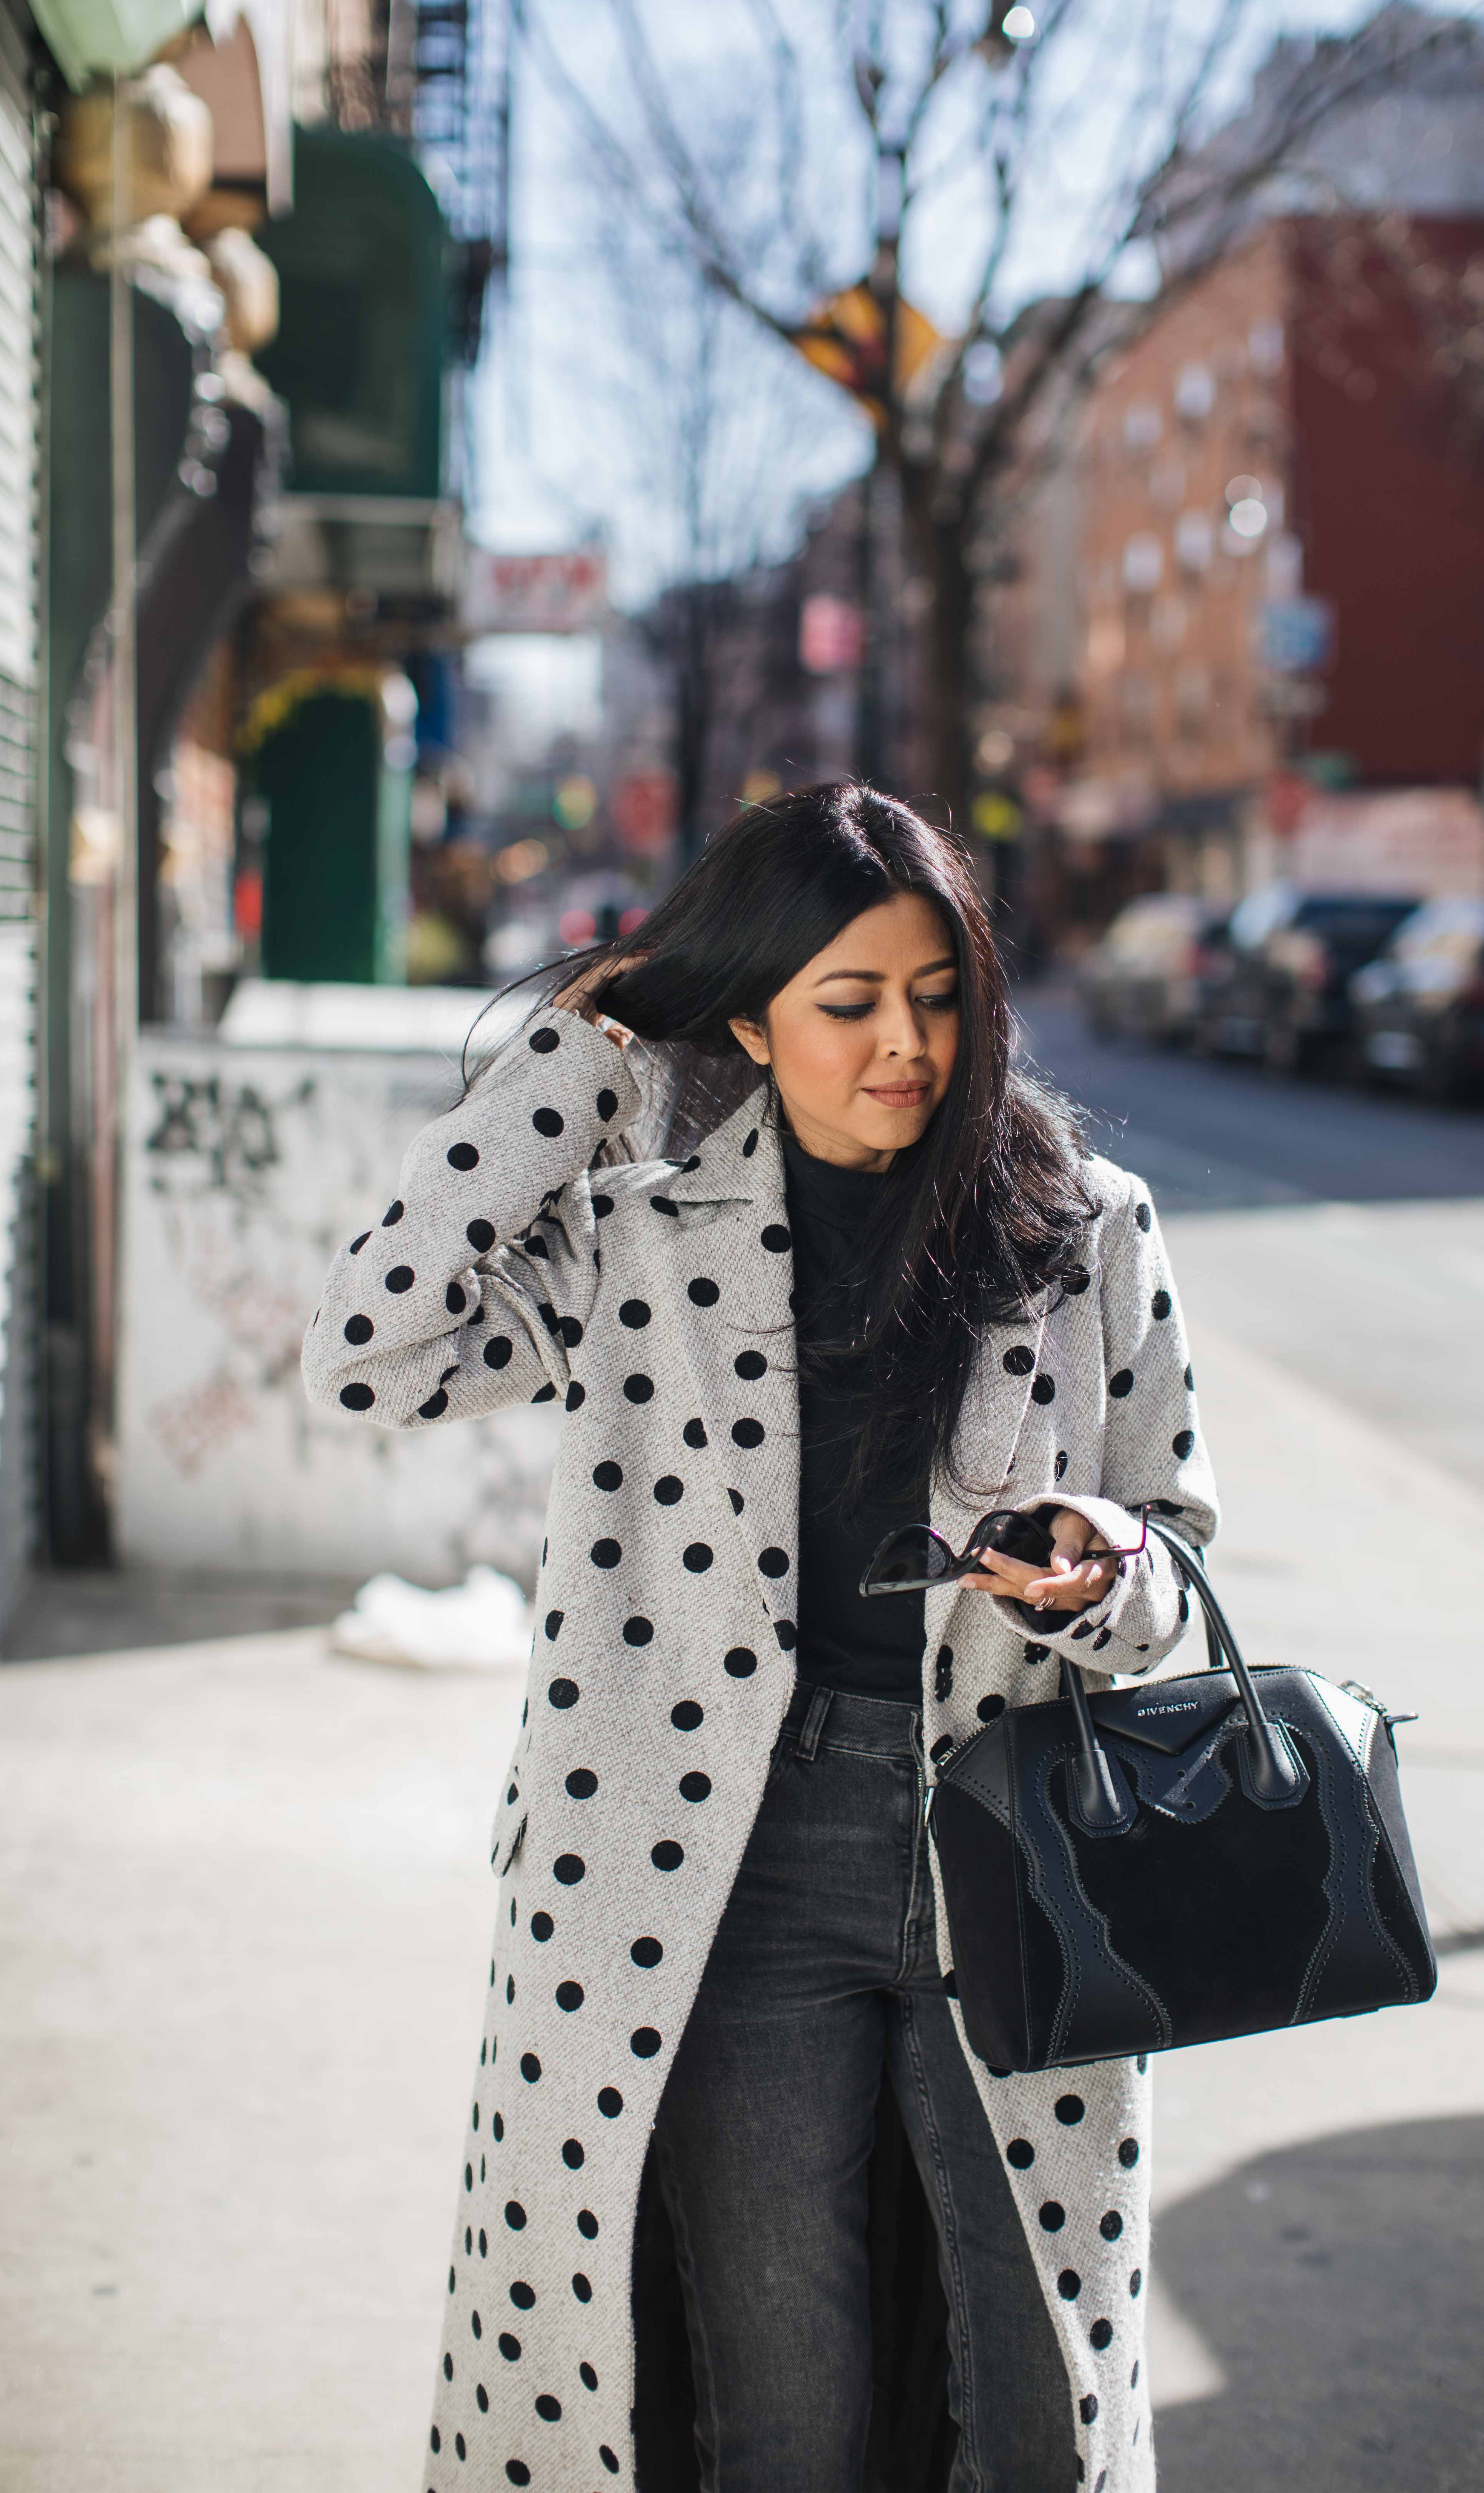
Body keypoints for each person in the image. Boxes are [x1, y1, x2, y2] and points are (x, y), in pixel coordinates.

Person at [302, 783, 1217, 2493]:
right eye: (850, 1004)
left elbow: (1176, 1564)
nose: (905, 1047)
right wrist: (569, 1072)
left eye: (938, 997)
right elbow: (369, 1350)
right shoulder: (643, 1227)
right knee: (778, 2408)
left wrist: (1102, 1568)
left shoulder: (1089, 1221)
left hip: (1014, 1849)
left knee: (1041, 2393)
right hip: (711, 1858)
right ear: (747, 1017)